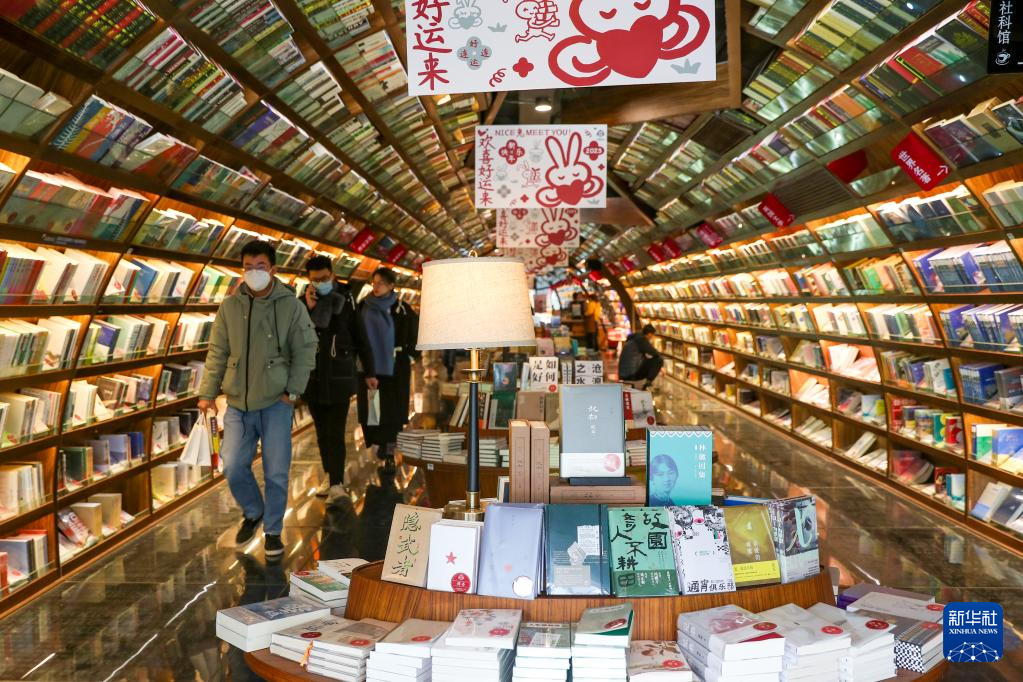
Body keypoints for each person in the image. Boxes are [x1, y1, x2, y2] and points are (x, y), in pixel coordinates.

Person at [197, 240, 317, 558]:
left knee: (276, 471)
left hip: (276, 402)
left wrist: (293, 390)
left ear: (273, 269)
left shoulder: (290, 307)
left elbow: (306, 349)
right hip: (238, 402)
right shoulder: (230, 307)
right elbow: (217, 353)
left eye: (260, 266)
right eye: (247, 267)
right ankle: (253, 511)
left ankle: (273, 531)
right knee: (233, 465)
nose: (253, 272)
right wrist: (207, 394)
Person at [301, 255, 377, 503]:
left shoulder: (346, 299)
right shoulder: (302, 303)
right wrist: (308, 309)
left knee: (335, 432)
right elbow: (297, 336)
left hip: (339, 376)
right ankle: (330, 475)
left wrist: (370, 371)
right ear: (308, 280)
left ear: (333, 274)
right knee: (322, 433)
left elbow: (360, 336)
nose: (320, 282)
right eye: (315, 280)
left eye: (324, 278)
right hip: (313, 378)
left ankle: (336, 483)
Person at [357, 267, 419, 466]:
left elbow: (415, 335)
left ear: (391, 285)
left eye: (381, 283)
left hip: (395, 369)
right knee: (373, 410)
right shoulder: (363, 307)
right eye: (374, 283)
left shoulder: (402, 309)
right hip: (370, 369)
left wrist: (409, 355)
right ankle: (379, 442)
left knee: (392, 410)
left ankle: (389, 446)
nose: (376, 287)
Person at [618, 324, 663, 390]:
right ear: (649, 334)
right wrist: (662, 367)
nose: (652, 337)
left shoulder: (634, 338)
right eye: (652, 335)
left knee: (649, 359)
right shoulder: (641, 339)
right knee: (659, 360)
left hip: (624, 373)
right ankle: (648, 382)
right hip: (631, 374)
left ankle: (647, 382)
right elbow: (654, 353)